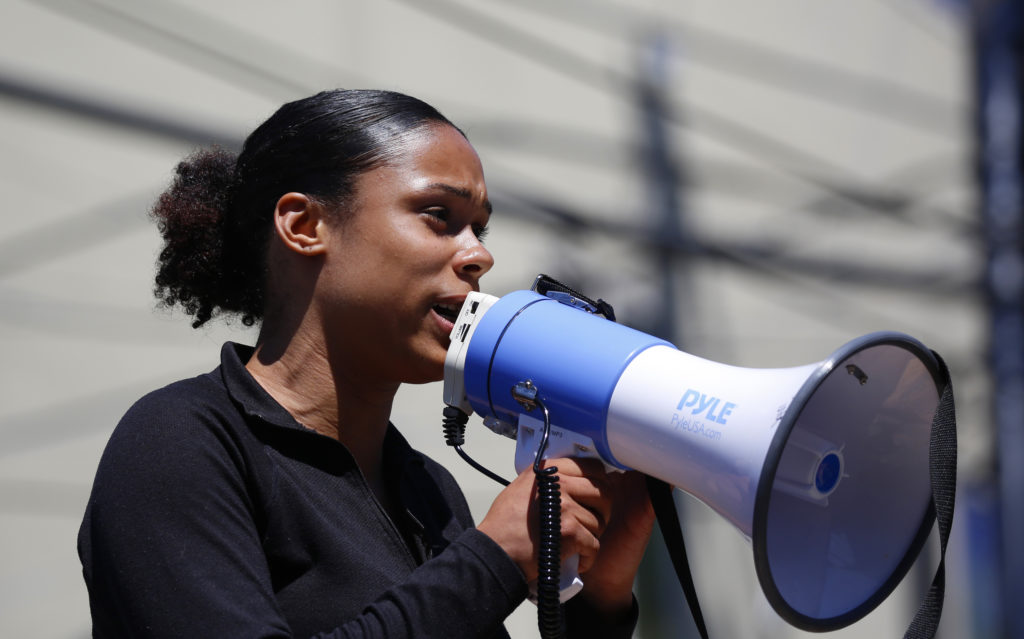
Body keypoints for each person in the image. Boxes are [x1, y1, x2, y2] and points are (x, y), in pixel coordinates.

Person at [77, 89, 655, 638]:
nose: (479, 254)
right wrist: (492, 560)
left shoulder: (429, 490)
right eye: (438, 214)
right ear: (305, 226)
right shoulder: (179, 442)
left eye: (478, 228)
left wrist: (598, 605)